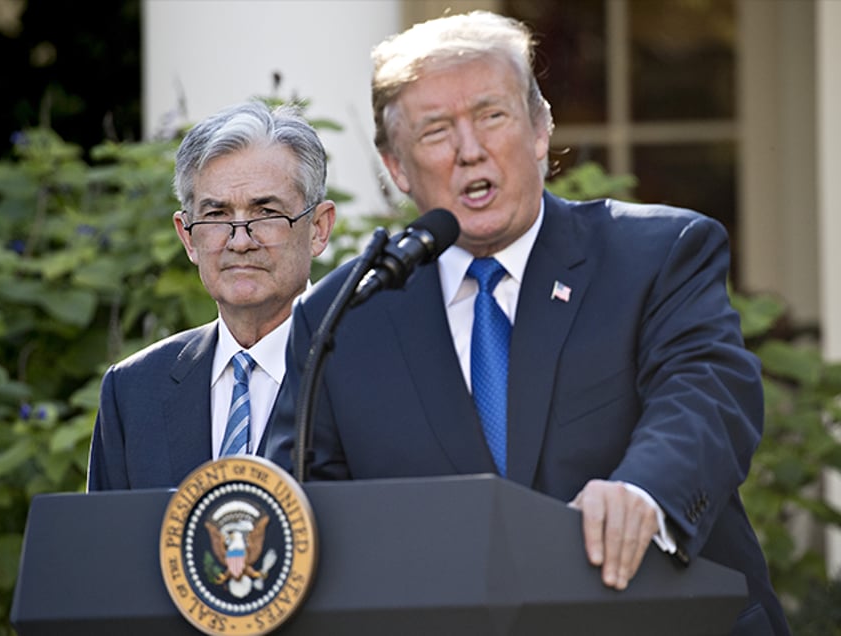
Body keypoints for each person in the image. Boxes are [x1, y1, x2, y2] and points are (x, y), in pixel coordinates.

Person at [261, 11, 789, 635]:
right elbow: (303, 511)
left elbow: (708, 394)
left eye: (492, 115)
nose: (470, 149)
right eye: (436, 131)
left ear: (540, 130)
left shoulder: (658, 254)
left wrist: (643, 494)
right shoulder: (344, 314)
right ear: (397, 167)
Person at [87, 101, 336, 490]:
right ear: (187, 236)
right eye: (217, 215)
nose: (239, 241)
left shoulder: (370, 370)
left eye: (265, 212)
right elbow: (106, 545)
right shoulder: (134, 390)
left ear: (319, 228)